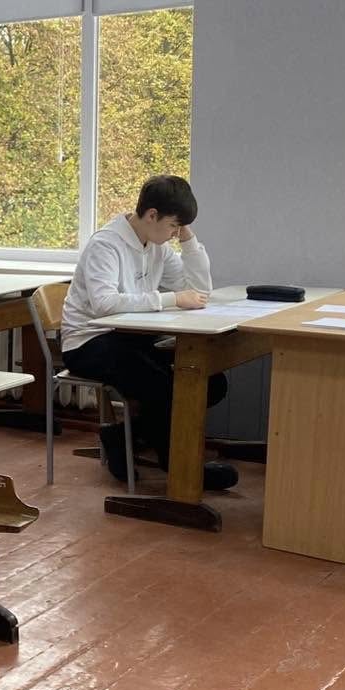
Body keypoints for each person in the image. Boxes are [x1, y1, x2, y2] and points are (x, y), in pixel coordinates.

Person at [60, 174, 237, 490]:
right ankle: (179, 467)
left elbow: (199, 290)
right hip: (88, 342)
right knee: (163, 387)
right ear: (152, 215)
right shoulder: (106, 244)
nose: (174, 234)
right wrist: (169, 299)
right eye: (173, 226)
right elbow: (103, 304)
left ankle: (121, 435)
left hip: (131, 337)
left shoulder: (157, 246)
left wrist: (188, 240)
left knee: (209, 380)